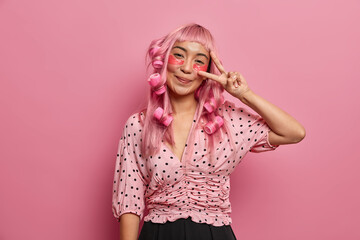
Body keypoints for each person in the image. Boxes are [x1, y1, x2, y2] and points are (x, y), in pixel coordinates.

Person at [112, 23, 306, 240]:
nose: (186, 68)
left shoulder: (227, 120)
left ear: (207, 72)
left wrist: (244, 94)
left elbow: (294, 132)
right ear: (165, 61)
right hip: (158, 233)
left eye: (198, 61)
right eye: (179, 56)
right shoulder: (138, 125)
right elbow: (129, 200)